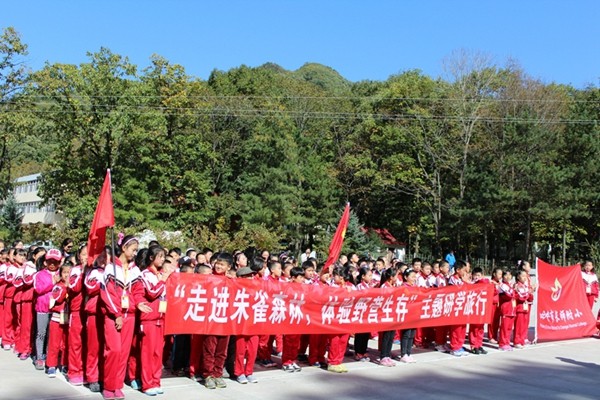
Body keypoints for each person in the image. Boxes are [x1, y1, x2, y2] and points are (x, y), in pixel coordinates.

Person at [100, 235, 141, 400]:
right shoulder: (111, 268)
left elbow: (138, 291)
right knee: (114, 351)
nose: (135, 253)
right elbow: (107, 294)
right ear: (124, 248)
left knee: (123, 352)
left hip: (129, 315)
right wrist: (116, 313)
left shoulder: (135, 270)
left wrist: (139, 303)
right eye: (133, 249)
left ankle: (117, 385)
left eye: (136, 250)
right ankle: (108, 386)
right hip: (113, 316)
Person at [133, 245, 172, 396]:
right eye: (160, 256)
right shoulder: (145, 274)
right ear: (151, 258)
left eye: (163, 257)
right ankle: (147, 383)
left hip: (160, 318)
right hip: (148, 319)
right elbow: (152, 292)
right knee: (147, 353)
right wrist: (163, 280)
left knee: (157, 353)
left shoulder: (161, 274)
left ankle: (156, 381)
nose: (162, 260)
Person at [202, 252, 233, 389]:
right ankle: (208, 374)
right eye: (217, 263)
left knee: (222, 350)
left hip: (225, 320)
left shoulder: (232, 281)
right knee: (209, 348)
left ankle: (217, 373)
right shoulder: (209, 278)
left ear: (228, 266)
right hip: (211, 319)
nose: (219, 266)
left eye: (222, 264)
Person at [84, 247, 109, 393]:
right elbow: (90, 287)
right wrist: (105, 282)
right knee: (94, 347)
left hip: (108, 313)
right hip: (94, 312)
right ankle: (92, 377)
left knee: (106, 348)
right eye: (100, 257)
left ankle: (104, 375)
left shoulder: (113, 270)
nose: (103, 260)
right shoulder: (93, 273)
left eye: (106, 257)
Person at [32, 249, 62, 370]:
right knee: (41, 334)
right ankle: (39, 357)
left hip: (56, 310)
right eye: (50, 261)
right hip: (42, 309)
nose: (52, 264)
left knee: (53, 336)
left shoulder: (62, 273)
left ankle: (51, 358)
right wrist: (52, 282)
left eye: (55, 261)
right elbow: (38, 289)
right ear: (45, 262)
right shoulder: (39, 274)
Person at [233, 266, 259, 384]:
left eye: (251, 275)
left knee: (253, 350)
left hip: (254, 324)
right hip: (240, 324)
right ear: (241, 278)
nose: (251, 278)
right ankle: (239, 372)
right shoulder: (235, 289)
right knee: (240, 350)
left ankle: (249, 372)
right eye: (248, 276)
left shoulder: (256, 289)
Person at [46, 263, 71, 378]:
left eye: (69, 272)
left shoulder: (74, 286)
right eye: (64, 272)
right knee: (54, 343)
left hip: (68, 318)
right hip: (57, 318)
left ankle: (65, 363)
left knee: (66, 343)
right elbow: (58, 297)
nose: (67, 275)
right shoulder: (58, 286)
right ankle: (51, 365)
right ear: (60, 274)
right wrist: (65, 286)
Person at [66, 244, 87, 385]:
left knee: (89, 343)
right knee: (76, 343)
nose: (87, 257)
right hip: (77, 311)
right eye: (84, 254)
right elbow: (75, 287)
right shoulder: (75, 270)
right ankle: (74, 371)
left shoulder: (97, 270)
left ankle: (87, 370)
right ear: (79, 255)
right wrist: (84, 271)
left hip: (91, 312)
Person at [281, 267, 305, 372]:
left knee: (296, 342)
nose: (302, 279)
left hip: (298, 317)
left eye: (302, 277)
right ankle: (286, 361)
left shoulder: (303, 288)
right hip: (289, 317)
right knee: (288, 341)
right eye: (300, 277)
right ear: (294, 277)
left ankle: (293, 359)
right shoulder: (287, 287)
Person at [377, 266, 399, 367]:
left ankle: (388, 354)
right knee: (386, 336)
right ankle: (383, 356)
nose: (398, 278)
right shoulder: (384, 287)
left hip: (393, 314)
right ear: (391, 277)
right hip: (386, 314)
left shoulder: (394, 285)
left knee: (391, 336)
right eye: (396, 275)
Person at [448, 260, 469, 356]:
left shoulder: (461, 279)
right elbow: (454, 291)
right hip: (456, 307)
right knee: (456, 328)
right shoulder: (452, 279)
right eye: (463, 270)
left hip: (463, 306)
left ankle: (460, 345)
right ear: (458, 270)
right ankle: (454, 347)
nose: (465, 272)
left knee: (462, 327)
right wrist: (465, 283)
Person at [353, 266, 373, 362]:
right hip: (360, 312)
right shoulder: (359, 287)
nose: (371, 277)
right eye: (369, 275)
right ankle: (358, 352)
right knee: (360, 334)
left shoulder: (370, 286)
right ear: (363, 276)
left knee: (366, 334)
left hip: (368, 313)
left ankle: (364, 350)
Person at [398, 268, 418, 363]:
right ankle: (403, 354)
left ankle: (409, 353)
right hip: (406, 314)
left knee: (412, 334)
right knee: (406, 334)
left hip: (414, 313)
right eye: (412, 276)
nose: (414, 278)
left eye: (415, 276)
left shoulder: (415, 286)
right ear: (406, 277)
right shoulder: (403, 287)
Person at [468, 268, 489, 355]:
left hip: (482, 308)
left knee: (480, 328)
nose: (477, 277)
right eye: (475, 275)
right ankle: (473, 345)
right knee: (474, 328)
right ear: (472, 275)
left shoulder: (485, 282)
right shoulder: (471, 284)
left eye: (479, 275)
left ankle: (479, 344)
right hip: (474, 308)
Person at [514, 270, 533, 349]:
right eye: (523, 276)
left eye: (526, 276)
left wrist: (530, 293)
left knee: (524, 326)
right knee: (519, 326)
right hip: (519, 308)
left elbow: (530, 297)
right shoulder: (517, 286)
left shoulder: (525, 286)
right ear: (518, 277)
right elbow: (520, 297)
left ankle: (522, 340)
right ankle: (517, 341)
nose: (525, 278)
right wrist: (527, 294)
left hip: (525, 308)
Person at [498, 270, 516, 351]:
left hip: (512, 309)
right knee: (504, 327)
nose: (508, 277)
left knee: (509, 328)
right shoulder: (502, 285)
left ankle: (507, 342)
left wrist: (512, 291)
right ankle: (502, 343)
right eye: (506, 275)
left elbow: (513, 295)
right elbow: (508, 296)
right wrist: (512, 292)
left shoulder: (511, 286)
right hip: (506, 309)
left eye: (509, 275)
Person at [487, 267, 503, 344]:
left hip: (498, 304)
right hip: (492, 304)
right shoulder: (491, 283)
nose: (500, 275)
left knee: (497, 321)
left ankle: (495, 336)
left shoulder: (499, 283)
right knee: (491, 321)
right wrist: (498, 289)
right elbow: (491, 293)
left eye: (501, 274)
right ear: (494, 274)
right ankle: (491, 336)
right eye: (499, 274)